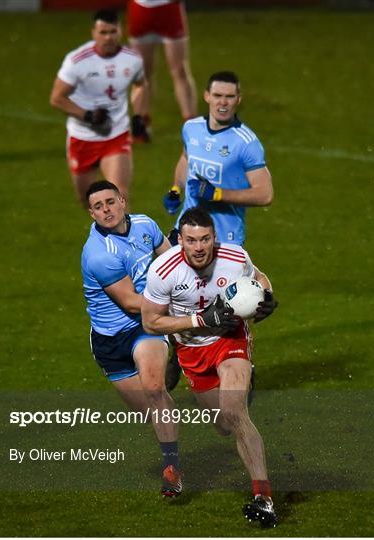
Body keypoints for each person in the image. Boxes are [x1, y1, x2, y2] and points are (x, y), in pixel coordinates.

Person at [141, 207, 278, 527]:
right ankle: (244, 386)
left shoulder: (233, 256)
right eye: (191, 240)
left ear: (214, 238)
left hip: (230, 339)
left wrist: (268, 295)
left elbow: (258, 276)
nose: (199, 247)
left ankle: (263, 498)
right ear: (181, 241)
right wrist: (198, 320)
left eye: (205, 239)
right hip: (191, 350)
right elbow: (150, 321)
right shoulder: (164, 270)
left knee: (234, 411)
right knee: (223, 426)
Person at [162, 70, 274, 389]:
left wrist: (220, 194)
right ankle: (176, 350)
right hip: (188, 229)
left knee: (232, 304)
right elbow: (187, 158)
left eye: (229, 97)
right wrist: (175, 188)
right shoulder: (191, 128)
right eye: (218, 95)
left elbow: (265, 193)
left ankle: (242, 364)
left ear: (238, 100)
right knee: (174, 294)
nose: (223, 102)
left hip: (225, 237)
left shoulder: (246, 143)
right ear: (206, 96)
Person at [81, 179, 182, 497]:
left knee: (154, 390)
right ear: (91, 214)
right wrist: (177, 311)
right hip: (110, 341)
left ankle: (172, 469)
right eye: (98, 207)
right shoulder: (98, 253)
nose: (106, 210)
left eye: (110, 202)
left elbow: (171, 261)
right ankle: (174, 361)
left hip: (143, 327)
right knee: (151, 411)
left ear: (122, 200)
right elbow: (128, 301)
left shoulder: (145, 225)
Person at [50, 10, 150, 208]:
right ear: (93, 33)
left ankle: (126, 239)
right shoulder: (77, 61)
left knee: (119, 195)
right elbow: (57, 98)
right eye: (103, 32)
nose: (108, 37)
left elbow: (141, 85)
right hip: (82, 137)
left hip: (116, 134)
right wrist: (87, 116)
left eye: (113, 32)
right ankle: (104, 237)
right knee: (88, 201)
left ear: (120, 31)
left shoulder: (132, 59)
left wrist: (139, 116)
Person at [127, 0, 198, 128]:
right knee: (142, 73)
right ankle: (141, 125)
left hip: (168, 8)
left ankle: (192, 124)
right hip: (141, 9)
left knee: (180, 70)